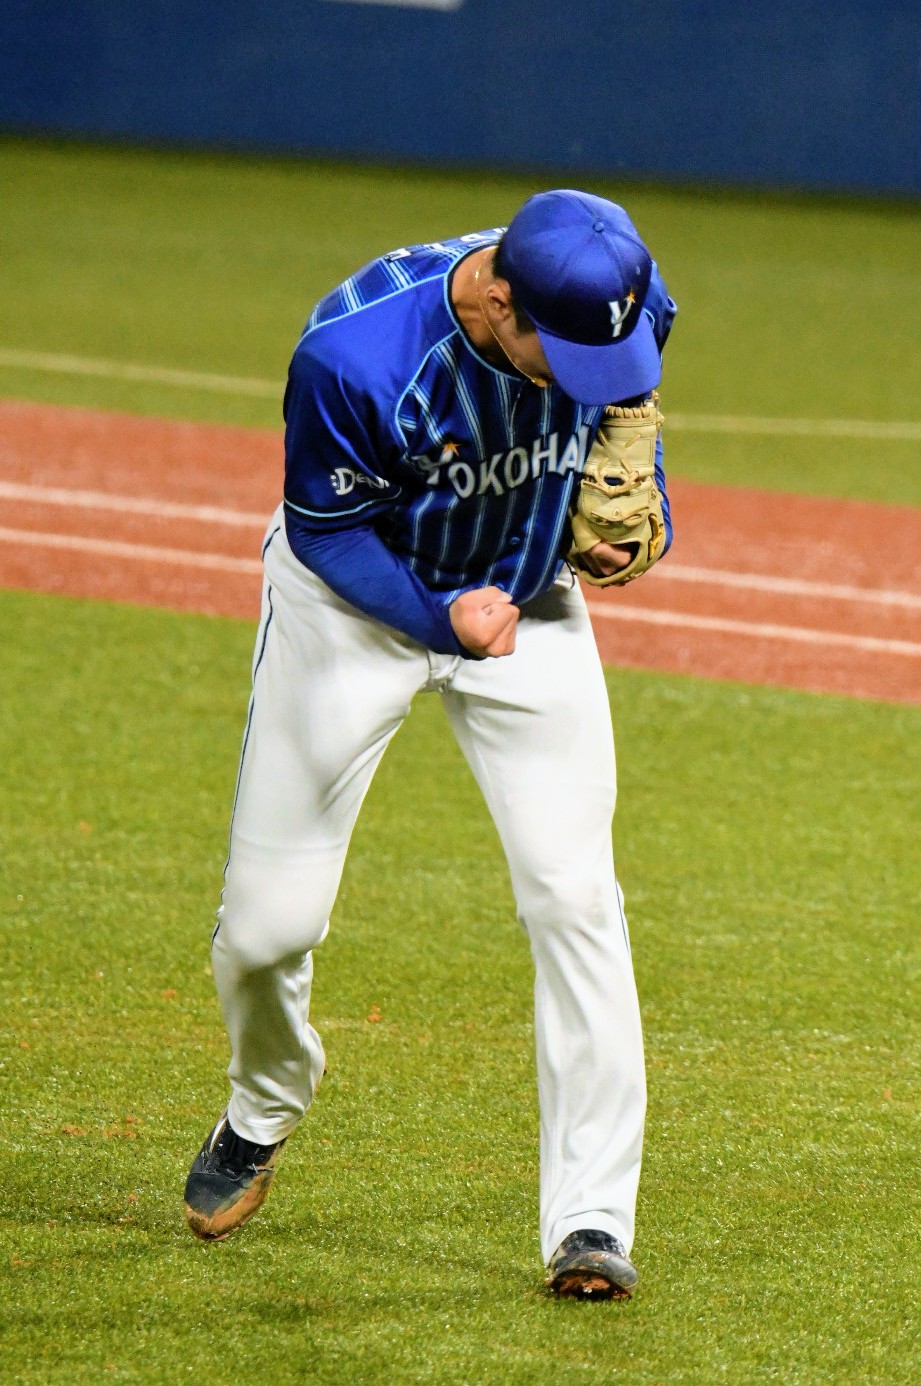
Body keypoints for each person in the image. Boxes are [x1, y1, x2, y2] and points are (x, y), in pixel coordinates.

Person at [183, 188, 677, 1300]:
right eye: (565, 356)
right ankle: (263, 1102)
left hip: (528, 605)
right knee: (266, 930)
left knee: (575, 899)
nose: (588, 376)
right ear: (499, 300)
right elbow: (327, 533)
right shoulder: (354, 357)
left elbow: (628, 421)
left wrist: (638, 515)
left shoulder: (614, 295)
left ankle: (591, 1218)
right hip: (353, 612)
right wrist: (439, 620)